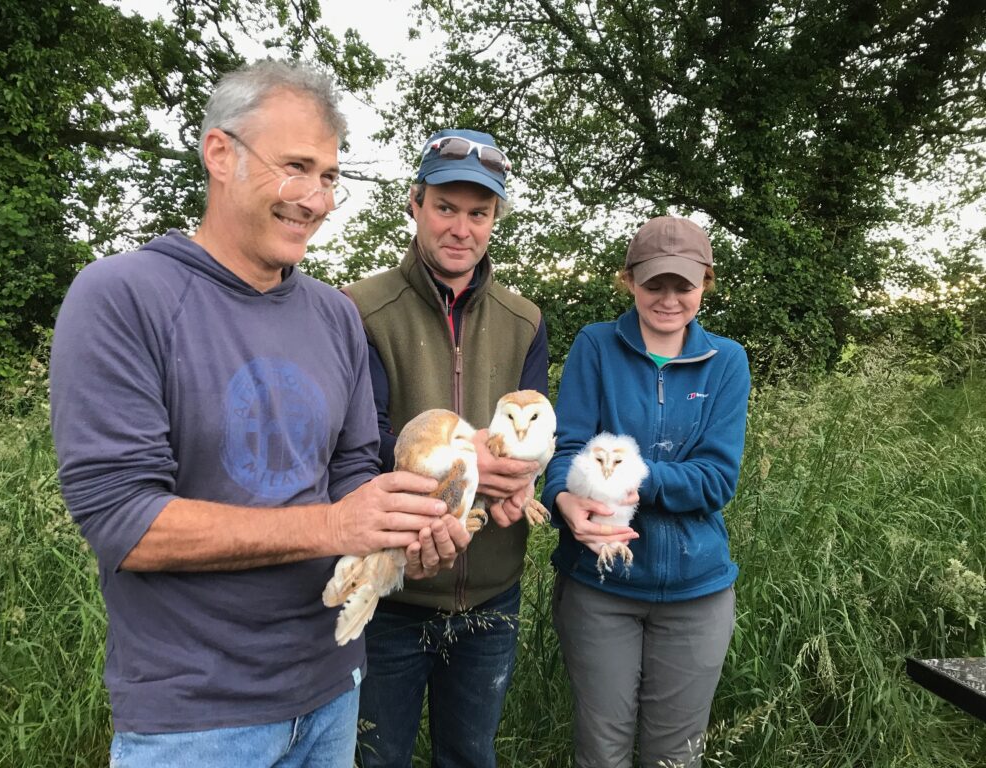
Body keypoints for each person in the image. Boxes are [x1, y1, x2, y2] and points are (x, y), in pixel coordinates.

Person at [49, 60, 469, 768]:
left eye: (331, 176)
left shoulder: (335, 316)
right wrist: (336, 525)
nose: (317, 198)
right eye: (297, 167)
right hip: (195, 719)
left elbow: (352, 474)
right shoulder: (122, 297)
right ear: (220, 153)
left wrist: (400, 538)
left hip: (333, 686)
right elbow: (124, 522)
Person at [343, 129, 550, 768]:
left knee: (470, 755)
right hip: (394, 592)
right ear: (414, 203)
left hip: (491, 588)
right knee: (379, 757)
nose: (462, 228)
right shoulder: (359, 308)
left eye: (479, 213)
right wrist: (466, 468)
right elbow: (357, 442)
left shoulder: (525, 319)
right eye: (446, 207)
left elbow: (534, 428)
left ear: (495, 220)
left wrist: (521, 484)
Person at [541, 216, 750, 768]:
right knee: (601, 749)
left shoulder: (726, 361)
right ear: (629, 281)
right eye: (654, 283)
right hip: (600, 586)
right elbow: (566, 451)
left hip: (696, 593)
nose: (668, 298)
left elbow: (716, 479)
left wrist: (629, 473)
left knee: (676, 756)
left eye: (684, 285)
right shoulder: (595, 346)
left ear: (705, 283)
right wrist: (564, 502)